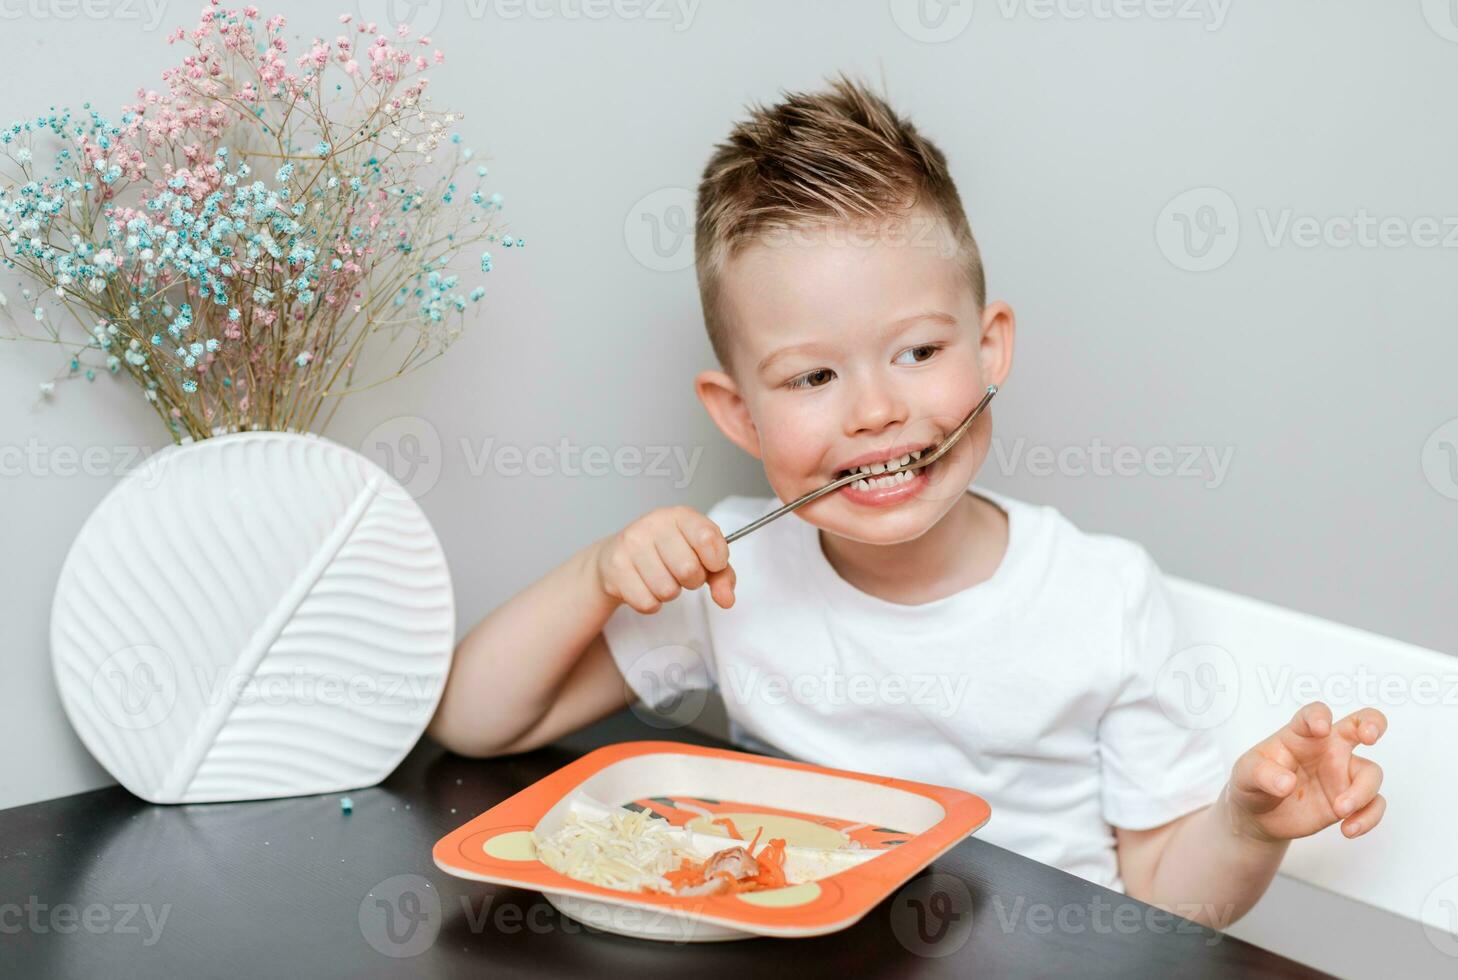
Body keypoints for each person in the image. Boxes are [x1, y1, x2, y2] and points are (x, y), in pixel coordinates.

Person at [429, 75, 1387, 928]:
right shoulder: (733, 573)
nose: (877, 411)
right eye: (811, 378)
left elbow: (1170, 901)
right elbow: (476, 721)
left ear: (991, 346)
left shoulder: (1103, 597)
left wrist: (1246, 827)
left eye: (919, 352)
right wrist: (600, 573)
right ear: (739, 415)